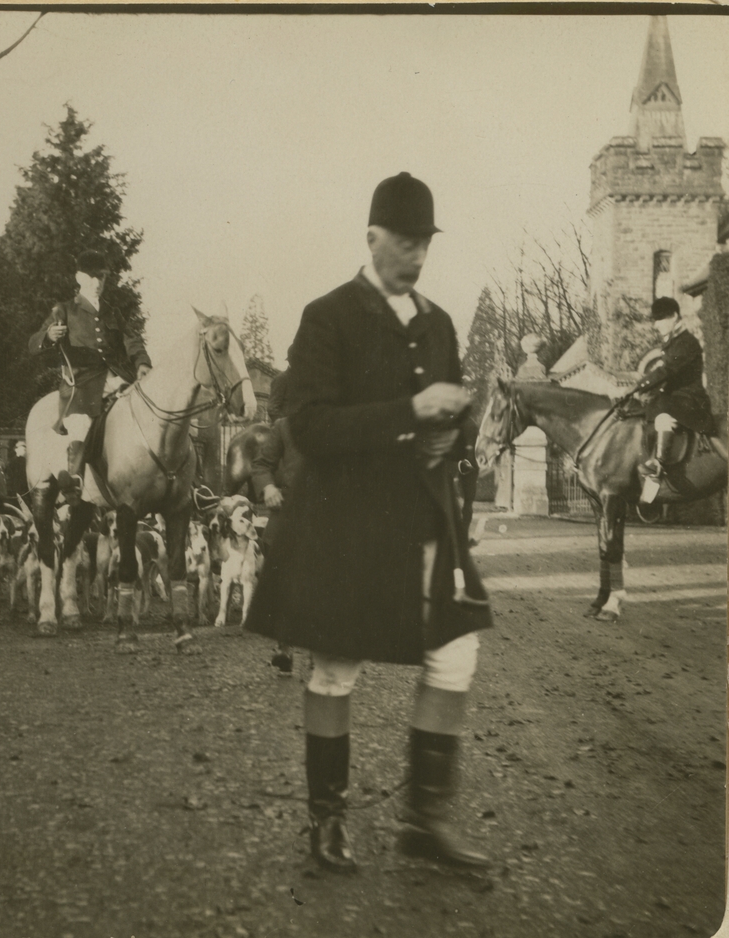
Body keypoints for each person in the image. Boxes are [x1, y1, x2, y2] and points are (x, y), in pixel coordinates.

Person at [245, 172, 493, 873]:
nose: (415, 255)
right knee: (335, 667)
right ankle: (327, 823)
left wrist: (453, 432)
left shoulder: (439, 321)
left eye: (425, 243)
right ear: (372, 236)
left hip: (422, 521)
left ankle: (424, 821)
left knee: (457, 653)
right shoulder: (327, 316)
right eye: (404, 241)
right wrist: (411, 414)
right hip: (346, 525)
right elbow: (311, 428)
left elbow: (454, 416)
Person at [27, 250, 152, 505]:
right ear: (79, 278)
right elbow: (32, 343)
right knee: (81, 420)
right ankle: (74, 480)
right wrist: (49, 336)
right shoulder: (64, 310)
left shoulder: (112, 311)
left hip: (118, 377)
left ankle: (183, 482)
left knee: (151, 410)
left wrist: (142, 363)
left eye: (103, 278)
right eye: (92, 277)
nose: (98, 283)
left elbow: (132, 340)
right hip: (82, 382)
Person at [634, 296, 716, 503]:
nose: (656, 324)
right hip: (678, 401)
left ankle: (657, 465)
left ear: (674, 317)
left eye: (660, 319)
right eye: (655, 320)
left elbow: (668, 370)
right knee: (652, 407)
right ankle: (654, 462)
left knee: (660, 405)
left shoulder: (687, 342)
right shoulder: (673, 342)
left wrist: (640, 385)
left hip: (692, 402)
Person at [251, 369, 299, 677]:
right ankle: (284, 646)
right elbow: (262, 464)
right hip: (289, 509)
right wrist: (267, 487)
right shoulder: (283, 428)